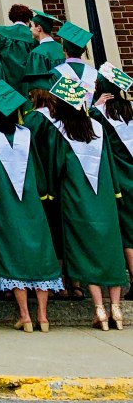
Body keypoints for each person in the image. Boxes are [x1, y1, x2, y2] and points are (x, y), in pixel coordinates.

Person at [0, 81, 62, 333]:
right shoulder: (27, 134)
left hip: (5, 205)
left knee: (12, 253)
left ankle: (25, 316)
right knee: (40, 252)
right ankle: (43, 316)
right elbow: (37, 167)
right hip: (33, 204)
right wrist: (44, 194)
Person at [48, 75, 128, 331]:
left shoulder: (60, 131)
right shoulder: (99, 128)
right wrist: (114, 192)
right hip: (103, 197)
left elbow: (56, 166)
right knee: (110, 248)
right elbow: (109, 164)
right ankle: (116, 307)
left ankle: (99, 310)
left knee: (86, 249)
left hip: (76, 199)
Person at [93, 62, 133, 292]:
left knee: (129, 233)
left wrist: (93, 107)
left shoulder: (99, 115)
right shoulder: (130, 109)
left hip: (120, 178)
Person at [0, 6, 35, 91]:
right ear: (28, 20)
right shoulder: (33, 36)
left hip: (5, 82)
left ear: (12, 18)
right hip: (28, 84)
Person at [24, 12, 66, 81]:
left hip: (47, 91)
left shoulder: (37, 54)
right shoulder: (63, 49)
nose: (30, 29)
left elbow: (36, 83)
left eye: (31, 26)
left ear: (39, 28)